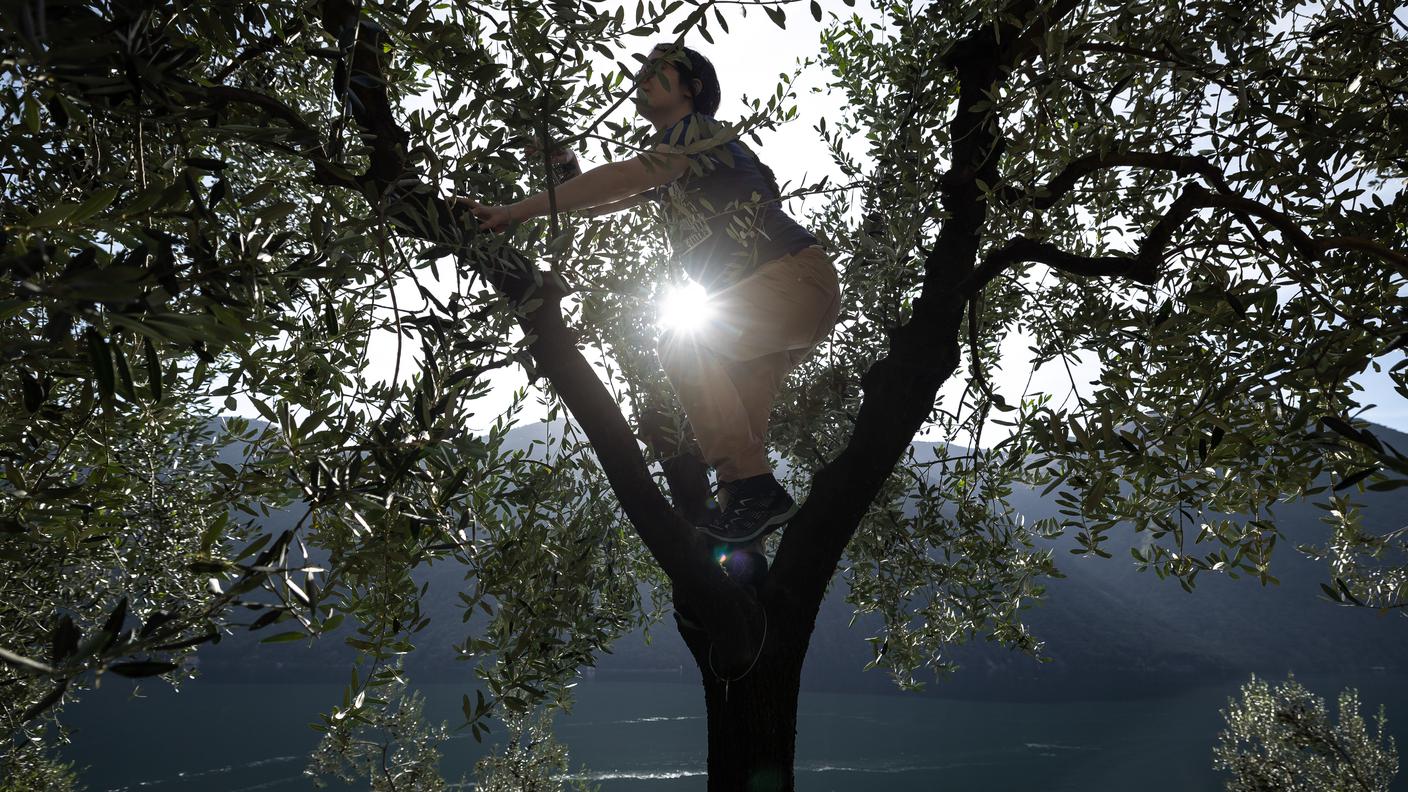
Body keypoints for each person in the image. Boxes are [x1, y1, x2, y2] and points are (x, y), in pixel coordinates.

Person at [456, 43, 841, 545]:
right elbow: (606, 198)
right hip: (785, 301)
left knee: (684, 345)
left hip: (790, 279)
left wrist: (512, 211)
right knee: (737, 446)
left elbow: (625, 175)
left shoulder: (698, 133)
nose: (644, 76)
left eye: (659, 69)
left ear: (691, 89)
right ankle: (747, 537)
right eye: (642, 68)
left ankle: (756, 498)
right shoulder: (679, 163)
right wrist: (565, 164)